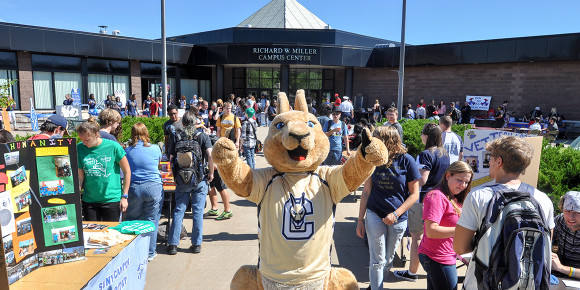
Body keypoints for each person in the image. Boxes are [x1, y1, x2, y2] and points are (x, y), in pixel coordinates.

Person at [453, 136, 555, 289]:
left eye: (491, 157)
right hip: (527, 284)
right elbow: (546, 243)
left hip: (482, 283)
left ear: (499, 162)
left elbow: (460, 248)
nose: (489, 162)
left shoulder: (478, 196)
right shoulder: (543, 199)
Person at [356, 126, 420, 290]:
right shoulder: (373, 159)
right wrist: (360, 220)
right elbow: (366, 192)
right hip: (374, 214)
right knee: (377, 260)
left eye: (376, 138)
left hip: (398, 218)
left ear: (387, 141)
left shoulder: (407, 160)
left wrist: (396, 214)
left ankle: (374, 285)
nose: (373, 142)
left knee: (388, 260)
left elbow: (414, 194)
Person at [394, 122, 450, 282]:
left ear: (426, 136)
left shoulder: (425, 154)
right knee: (433, 237)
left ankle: (412, 272)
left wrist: (405, 183)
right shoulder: (443, 152)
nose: (420, 136)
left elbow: (422, 180)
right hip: (441, 199)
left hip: (423, 201)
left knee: (417, 237)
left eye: (422, 133)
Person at [418, 161, 473, 290]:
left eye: (466, 182)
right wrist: (463, 230)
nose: (463, 185)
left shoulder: (452, 195)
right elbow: (431, 231)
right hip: (437, 257)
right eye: (459, 180)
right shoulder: (436, 196)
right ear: (448, 176)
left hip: (443, 255)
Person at [166, 112, 214, 255]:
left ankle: (173, 244)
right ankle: (196, 244)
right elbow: (210, 155)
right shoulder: (202, 136)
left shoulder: (177, 137)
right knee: (198, 212)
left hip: (181, 180)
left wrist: (175, 175)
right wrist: (211, 172)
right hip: (199, 179)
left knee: (179, 210)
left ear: (184, 123)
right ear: (195, 122)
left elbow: (170, 158)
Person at [77, 119, 131, 221]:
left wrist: (125, 196)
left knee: (111, 233)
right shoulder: (80, 148)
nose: (84, 143)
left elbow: (127, 171)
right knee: (91, 234)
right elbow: (80, 176)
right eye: (81, 139)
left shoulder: (113, 147)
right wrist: (76, 195)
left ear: (97, 135)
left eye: (87, 140)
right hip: (89, 200)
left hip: (111, 199)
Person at [124, 123, 162, 261]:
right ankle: (150, 253)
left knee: (133, 220)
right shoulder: (156, 148)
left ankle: (134, 252)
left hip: (134, 187)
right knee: (152, 220)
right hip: (153, 186)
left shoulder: (127, 150)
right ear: (146, 133)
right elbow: (158, 164)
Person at [552, 191, 580, 278]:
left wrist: (561, 268)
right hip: (559, 274)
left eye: (577, 212)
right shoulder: (560, 220)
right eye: (567, 211)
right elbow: (545, 239)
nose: (571, 217)